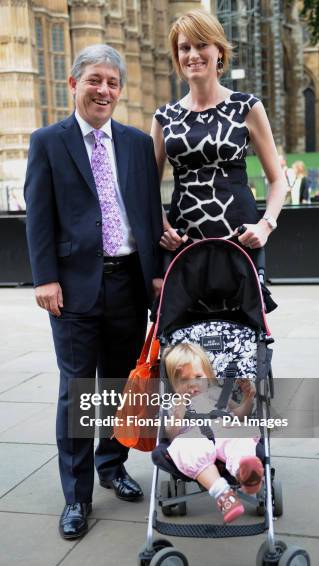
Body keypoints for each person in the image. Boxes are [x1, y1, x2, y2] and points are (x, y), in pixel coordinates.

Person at [24, 44, 163, 539]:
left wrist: (157, 272)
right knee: (77, 391)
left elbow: (147, 212)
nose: (103, 90)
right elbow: (38, 214)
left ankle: (112, 464)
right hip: (74, 285)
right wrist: (44, 277)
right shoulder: (48, 141)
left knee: (121, 385)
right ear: (74, 85)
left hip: (129, 282)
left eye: (112, 83)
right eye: (94, 81)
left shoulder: (135, 143)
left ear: (119, 91)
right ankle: (76, 496)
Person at [151, 9, 287, 253]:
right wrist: (165, 227)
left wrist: (265, 226)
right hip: (183, 245)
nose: (193, 55)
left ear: (220, 51)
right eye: (184, 48)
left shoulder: (246, 106)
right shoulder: (164, 117)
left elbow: (278, 180)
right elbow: (148, 187)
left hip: (240, 239)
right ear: (177, 55)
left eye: (202, 45)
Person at [163, 343, 264, 523]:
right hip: (193, 437)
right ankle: (223, 494)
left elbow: (239, 415)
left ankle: (246, 474)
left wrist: (248, 400)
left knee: (239, 437)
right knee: (183, 447)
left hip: (223, 430)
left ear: (207, 375)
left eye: (198, 376)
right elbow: (171, 435)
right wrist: (177, 416)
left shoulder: (216, 393)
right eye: (183, 380)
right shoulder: (175, 402)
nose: (192, 384)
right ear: (173, 383)